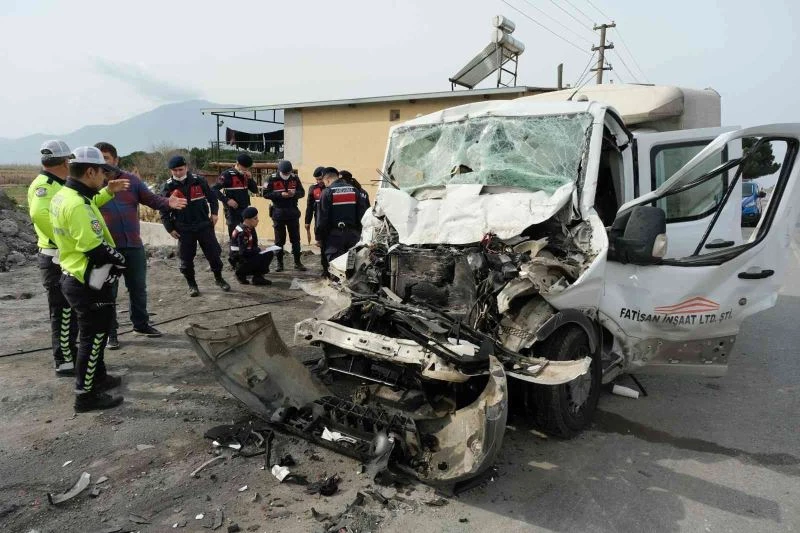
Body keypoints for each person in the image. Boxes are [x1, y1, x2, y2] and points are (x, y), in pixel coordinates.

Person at [49, 146, 130, 412]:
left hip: (73, 273)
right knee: (92, 337)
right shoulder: (77, 204)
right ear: (91, 172)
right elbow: (94, 248)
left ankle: (99, 378)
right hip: (88, 280)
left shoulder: (66, 195)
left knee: (94, 334)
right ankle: (85, 395)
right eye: (103, 172)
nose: (105, 178)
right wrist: (120, 259)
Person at [94, 142, 188, 349]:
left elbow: (151, 199)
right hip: (105, 248)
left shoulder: (131, 181)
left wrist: (168, 202)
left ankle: (141, 324)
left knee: (138, 288)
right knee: (106, 291)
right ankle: (110, 332)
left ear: (116, 160)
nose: (102, 162)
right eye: (98, 158)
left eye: (106, 158)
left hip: (133, 245)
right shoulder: (92, 184)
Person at [27, 140, 80, 376]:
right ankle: (65, 361)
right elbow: (40, 214)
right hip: (56, 256)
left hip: (62, 255)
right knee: (63, 310)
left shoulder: (60, 183)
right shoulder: (44, 186)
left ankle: (71, 354)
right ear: (65, 161)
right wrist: (66, 241)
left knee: (71, 309)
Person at [160, 156, 230, 297]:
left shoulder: (199, 180)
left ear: (186, 167)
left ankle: (219, 279)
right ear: (170, 170)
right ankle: (192, 285)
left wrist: (214, 213)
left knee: (214, 255)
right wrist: (169, 228)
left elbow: (212, 198)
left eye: (180, 169)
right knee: (186, 260)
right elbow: (163, 209)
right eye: (174, 170)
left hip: (204, 225)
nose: (178, 173)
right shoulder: (168, 187)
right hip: (183, 228)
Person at [317, 167, 369, 262]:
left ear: (327, 180)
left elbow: (322, 219)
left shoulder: (327, 192)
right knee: (353, 264)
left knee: (337, 265)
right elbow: (362, 215)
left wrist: (319, 237)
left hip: (334, 238)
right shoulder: (354, 190)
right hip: (354, 236)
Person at [262, 160, 306, 272]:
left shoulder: (295, 178)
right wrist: (280, 195)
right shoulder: (271, 178)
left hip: (292, 212)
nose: (286, 175)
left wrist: (294, 194)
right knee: (279, 241)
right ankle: (280, 263)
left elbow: (302, 192)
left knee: (295, 239)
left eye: (288, 173)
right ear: (279, 171)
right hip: (278, 213)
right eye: (284, 173)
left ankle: (297, 262)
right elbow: (265, 194)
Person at [213, 153, 258, 239]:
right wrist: (227, 200)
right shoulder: (227, 175)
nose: (245, 170)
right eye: (244, 168)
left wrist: (250, 179)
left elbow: (255, 190)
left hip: (245, 210)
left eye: (247, 168)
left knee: (251, 236)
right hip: (232, 212)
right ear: (237, 164)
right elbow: (213, 189)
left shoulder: (246, 176)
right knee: (235, 237)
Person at [230, 206, 274, 286]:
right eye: (255, 218)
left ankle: (245, 276)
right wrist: (259, 250)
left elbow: (252, 245)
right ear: (247, 220)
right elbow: (243, 252)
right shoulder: (243, 232)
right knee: (267, 254)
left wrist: (259, 249)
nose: (258, 220)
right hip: (240, 261)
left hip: (242, 259)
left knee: (267, 252)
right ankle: (254, 277)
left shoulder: (248, 228)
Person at [305, 166, 329, 277]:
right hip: (319, 222)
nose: (319, 181)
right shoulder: (313, 189)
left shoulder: (331, 188)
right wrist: (307, 222)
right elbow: (309, 207)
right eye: (317, 179)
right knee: (322, 247)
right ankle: (325, 269)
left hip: (332, 223)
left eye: (320, 179)